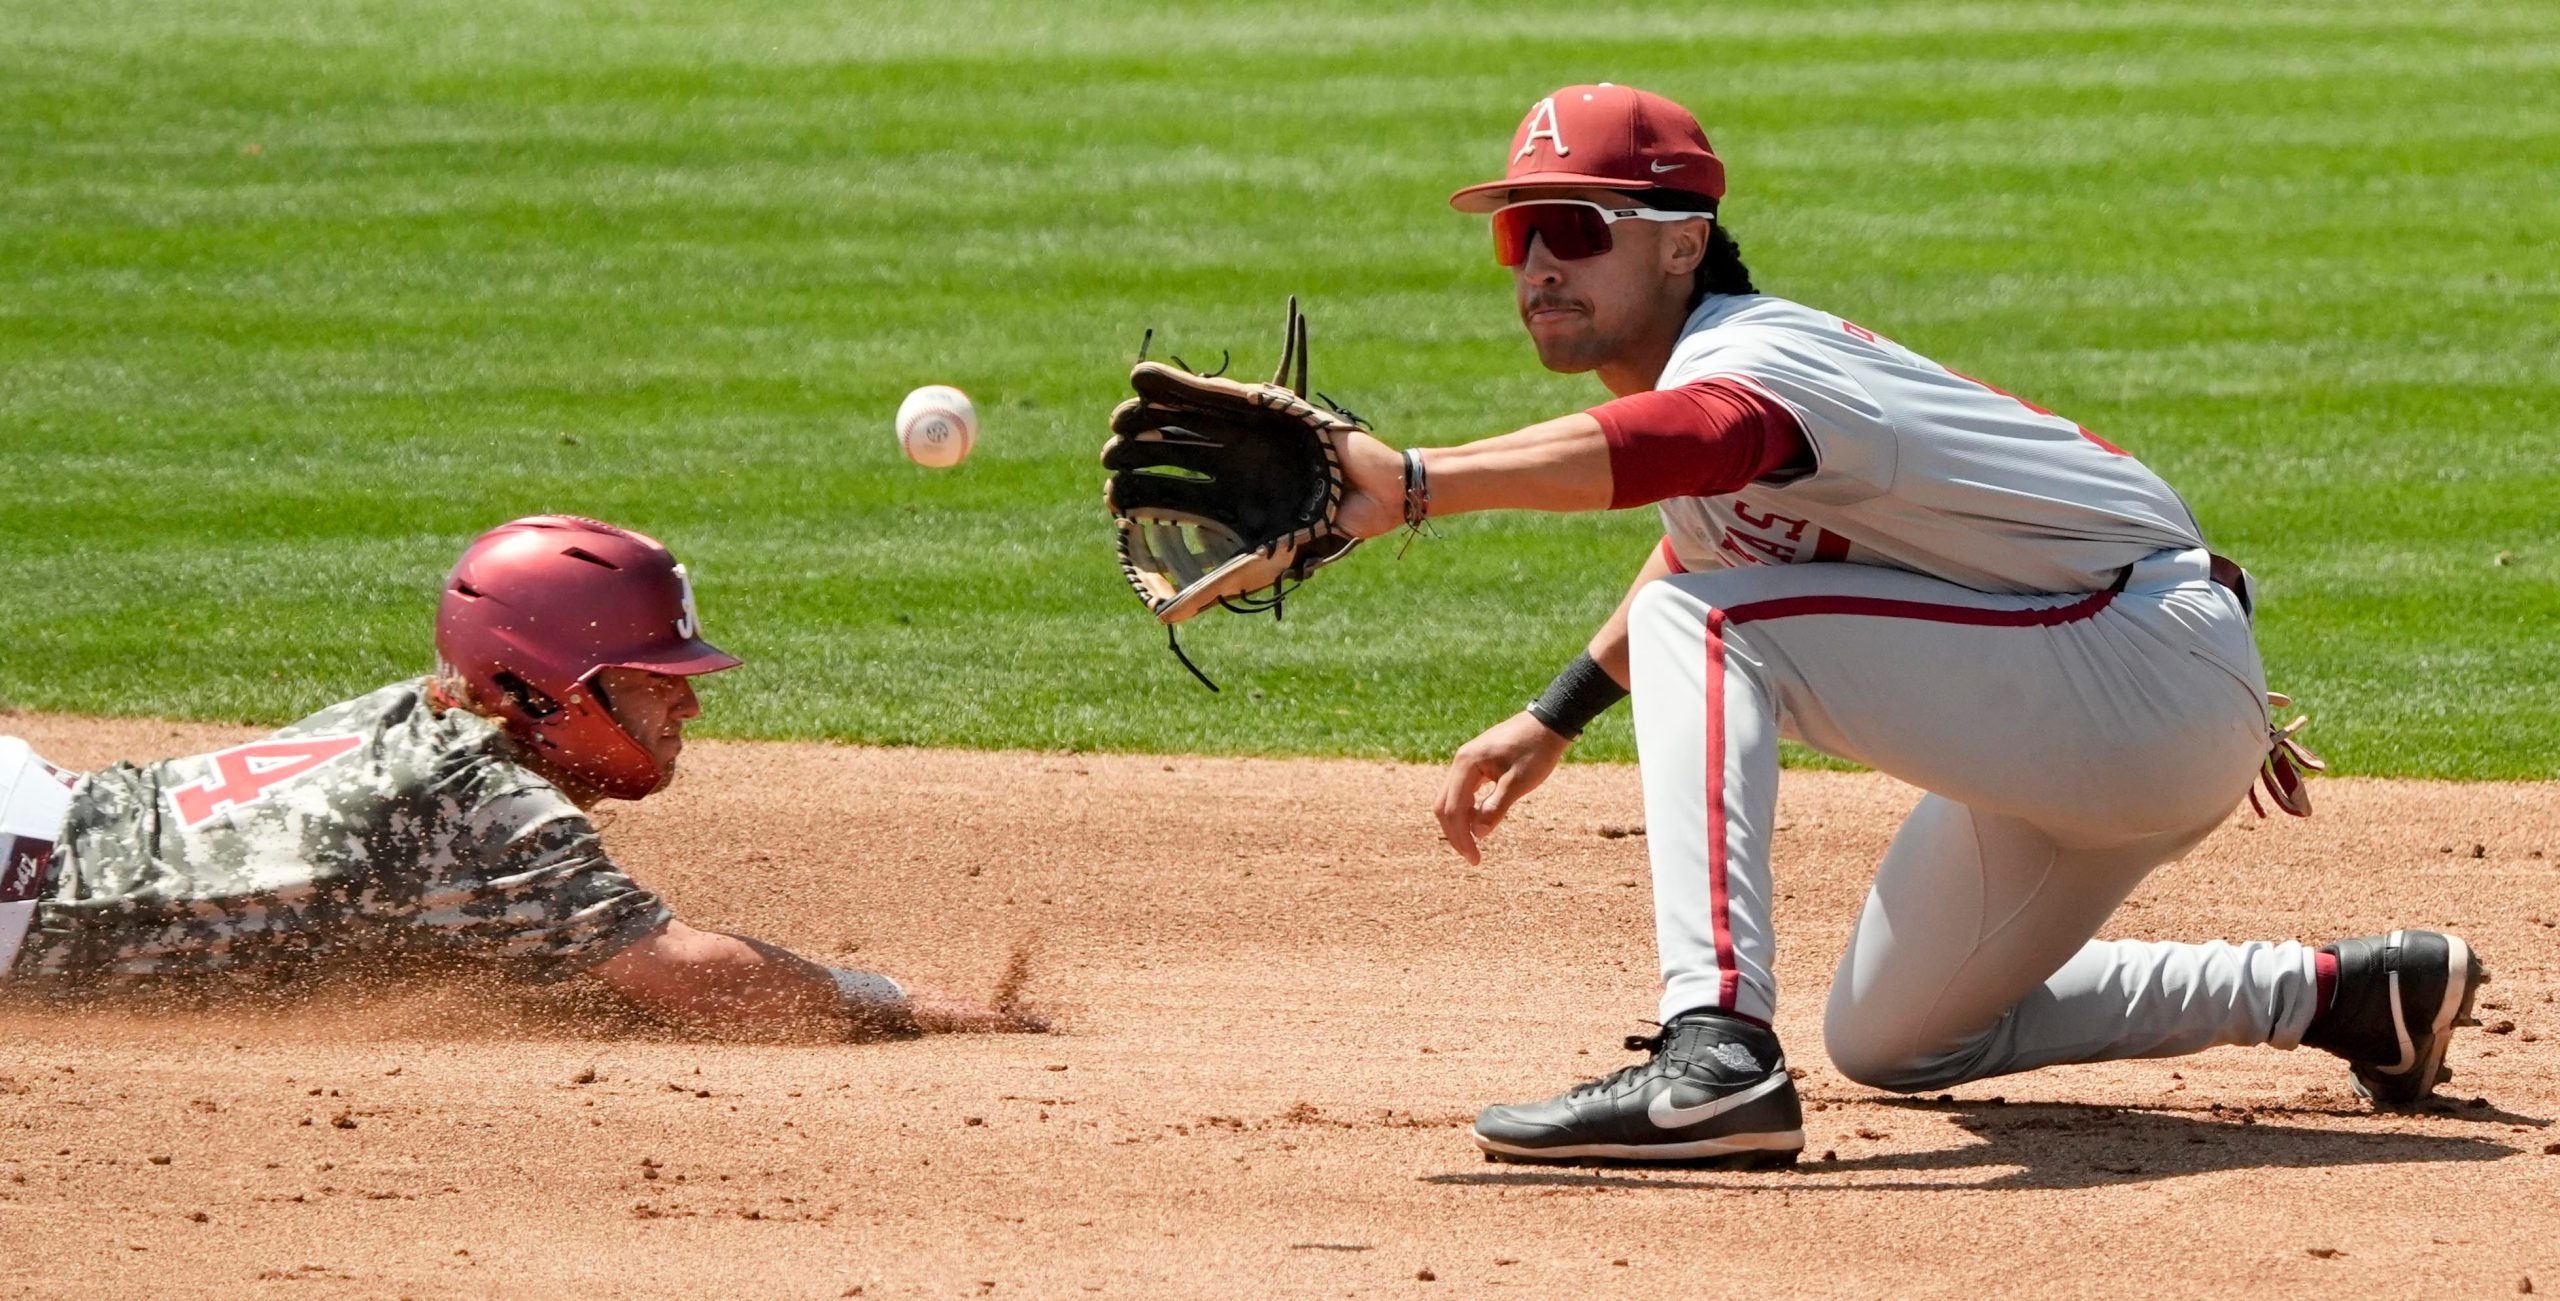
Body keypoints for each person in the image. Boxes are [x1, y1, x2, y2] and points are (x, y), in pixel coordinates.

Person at [1313, 84, 2483, 1165]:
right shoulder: (1703, 389)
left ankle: (1713, 1048)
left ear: (1680, 241)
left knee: (1701, 623)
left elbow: (1692, 460)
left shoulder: (1757, 360)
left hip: (2134, 662)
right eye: (1519, 234)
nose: (1538, 267)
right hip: (2091, 709)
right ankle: (2338, 993)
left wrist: (1416, 481)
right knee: (1896, 1038)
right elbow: (1711, 541)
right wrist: (1553, 715)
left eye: (1574, 228)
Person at [0, 515, 1039, 1040]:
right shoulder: (488, 811)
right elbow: (689, 976)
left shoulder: (427, 714)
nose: (687, 705)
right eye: (648, 682)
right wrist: (894, 999)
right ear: (538, 692)